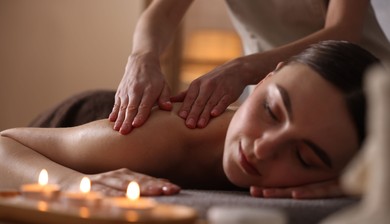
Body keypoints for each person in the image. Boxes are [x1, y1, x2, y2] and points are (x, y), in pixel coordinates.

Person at [0, 41, 380, 199]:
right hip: (92, 120)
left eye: (305, 158)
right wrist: (76, 183)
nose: (262, 148)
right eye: (270, 110)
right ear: (265, 78)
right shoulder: (154, 137)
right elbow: (5, 142)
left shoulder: (350, 173)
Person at [109, 0, 390, 135]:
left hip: (360, 85)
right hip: (268, 86)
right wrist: (142, 57)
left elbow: (342, 31)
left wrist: (242, 69)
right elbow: (163, 12)